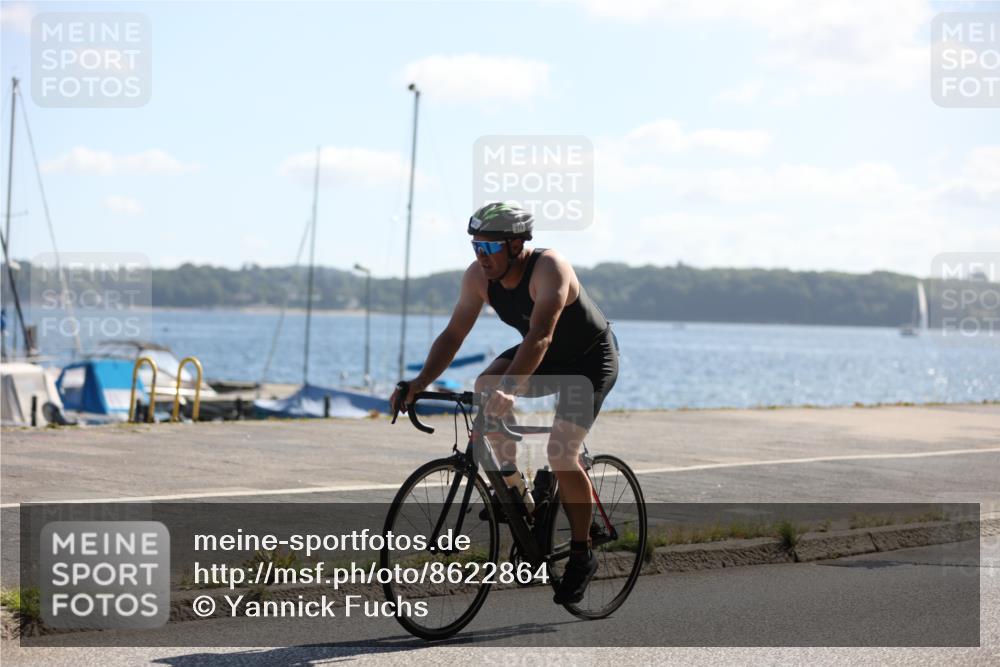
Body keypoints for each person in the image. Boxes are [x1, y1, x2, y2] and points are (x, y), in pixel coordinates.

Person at [390, 202, 620, 604]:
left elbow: (540, 337)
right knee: (484, 386)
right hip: (545, 357)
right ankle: (516, 491)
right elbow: (453, 334)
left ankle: (582, 555)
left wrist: (512, 388)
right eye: (476, 245)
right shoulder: (478, 277)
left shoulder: (550, 268)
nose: (481, 255)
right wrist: (418, 382)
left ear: (516, 245)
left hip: (587, 361)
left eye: (490, 247)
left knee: (561, 454)